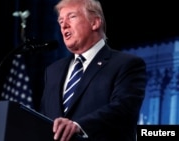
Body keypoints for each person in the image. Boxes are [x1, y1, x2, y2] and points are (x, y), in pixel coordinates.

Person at [39, 0, 147, 141]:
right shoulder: (53, 71)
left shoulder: (126, 64)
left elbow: (124, 109)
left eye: (71, 17)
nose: (64, 25)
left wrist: (79, 126)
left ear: (95, 23)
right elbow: (42, 118)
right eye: (60, 21)